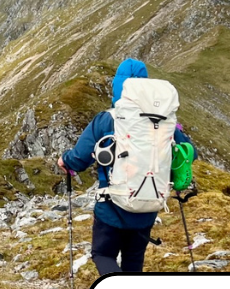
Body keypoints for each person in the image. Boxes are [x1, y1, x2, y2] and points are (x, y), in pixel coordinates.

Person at [58, 58, 196, 275]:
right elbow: (190, 152)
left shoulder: (107, 120)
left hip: (111, 206)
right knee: (134, 260)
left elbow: (79, 158)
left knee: (103, 255)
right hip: (148, 205)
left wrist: (65, 161)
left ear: (117, 86)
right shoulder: (163, 122)